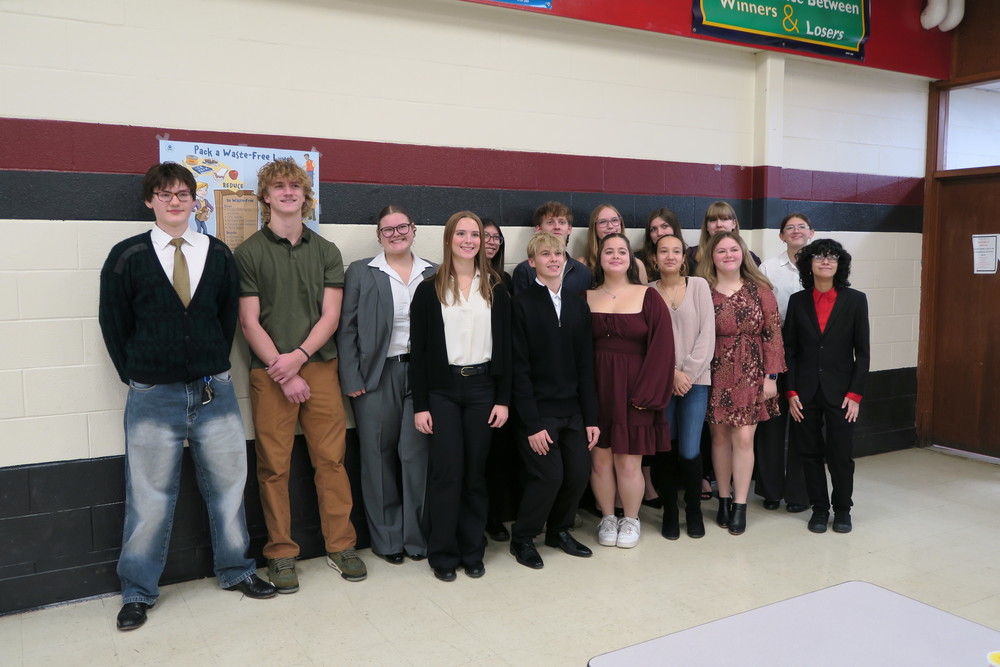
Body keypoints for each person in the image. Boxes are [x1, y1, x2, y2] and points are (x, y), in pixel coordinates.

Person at [99, 163, 275, 632]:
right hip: (152, 396)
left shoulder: (217, 253)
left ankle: (237, 570)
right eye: (164, 194)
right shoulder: (127, 256)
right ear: (149, 201)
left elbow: (224, 320)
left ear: (195, 200)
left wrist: (207, 362)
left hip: (214, 390)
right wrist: (139, 374)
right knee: (149, 497)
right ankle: (137, 591)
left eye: (182, 194)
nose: (174, 201)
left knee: (228, 487)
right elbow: (114, 325)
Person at [235, 157, 365, 593]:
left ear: (305, 197)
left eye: (296, 186)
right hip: (269, 373)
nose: (288, 192)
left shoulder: (326, 251)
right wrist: (285, 371)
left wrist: (301, 357)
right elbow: (250, 322)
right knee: (273, 466)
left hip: (322, 367)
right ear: (266, 196)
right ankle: (281, 554)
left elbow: (332, 315)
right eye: (279, 187)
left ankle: (341, 546)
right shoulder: (248, 252)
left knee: (331, 460)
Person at [410, 211, 512, 582]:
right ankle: (443, 553)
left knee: (474, 475)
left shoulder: (496, 287)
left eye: (474, 234)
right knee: (447, 473)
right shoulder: (429, 288)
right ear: (449, 239)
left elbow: (507, 349)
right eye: (461, 234)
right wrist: (421, 404)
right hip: (444, 390)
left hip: (484, 388)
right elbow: (418, 353)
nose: (469, 240)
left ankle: (473, 551)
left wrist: (503, 398)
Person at [337, 205, 436, 564]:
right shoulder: (362, 272)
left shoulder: (433, 272)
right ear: (378, 235)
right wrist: (352, 377)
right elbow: (346, 328)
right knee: (377, 459)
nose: (396, 234)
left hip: (421, 377)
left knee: (415, 457)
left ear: (414, 228)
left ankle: (416, 538)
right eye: (387, 230)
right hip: (375, 377)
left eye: (402, 227)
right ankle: (388, 540)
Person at [509, 232, 600, 569]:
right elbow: (519, 370)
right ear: (532, 262)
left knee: (578, 473)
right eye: (544, 254)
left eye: (558, 253)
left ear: (565, 259)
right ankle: (523, 537)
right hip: (538, 412)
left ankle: (558, 530)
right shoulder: (521, 304)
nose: (552, 259)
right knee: (549, 476)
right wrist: (531, 424)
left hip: (573, 411)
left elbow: (585, 365)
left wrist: (591, 418)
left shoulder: (578, 305)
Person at [587, 233, 674, 549]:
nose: (614, 255)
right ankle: (608, 516)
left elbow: (663, 349)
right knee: (600, 461)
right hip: (597, 390)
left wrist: (648, 394)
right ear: (600, 258)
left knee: (628, 462)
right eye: (608, 250)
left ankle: (632, 518)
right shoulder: (587, 297)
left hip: (635, 391)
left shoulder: (648, 296)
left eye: (621, 251)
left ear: (630, 258)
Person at [699, 232, 784, 536]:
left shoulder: (760, 288)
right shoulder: (703, 289)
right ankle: (722, 499)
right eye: (721, 250)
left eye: (734, 249)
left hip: (752, 369)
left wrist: (771, 377)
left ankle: (740, 503)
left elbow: (774, 333)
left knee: (744, 439)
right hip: (715, 369)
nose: (728, 254)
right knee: (719, 437)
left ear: (742, 253)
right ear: (712, 255)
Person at [784, 239, 870, 534]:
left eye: (832, 257)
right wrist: (791, 391)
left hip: (843, 393)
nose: (825, 261)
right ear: (809, 263)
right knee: (809, 454)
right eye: (819, 256)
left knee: (840, 455)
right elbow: (790, 352)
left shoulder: (856, 300)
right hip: (805, 392)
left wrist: (855, 393)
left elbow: (864, 353)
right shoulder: (797, 302)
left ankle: (843, 510)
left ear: (839, 264)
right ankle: (819, 509)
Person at [651, 234, 715, 539]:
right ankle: (669, 511)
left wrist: (685, 374)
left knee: (690, 449)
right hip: (662, 384)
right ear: (655, 258)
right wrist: (670, 375)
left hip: (696, 383)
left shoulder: (699, 286)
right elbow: (647, 344)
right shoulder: (648, 293)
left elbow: (707, 336)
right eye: (664, 251)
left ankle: (692, 510)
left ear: (683, 257)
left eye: (676, 251)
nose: (670, 256)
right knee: (665, 448)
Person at [754, 213, 815, 513]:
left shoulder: (822, 263)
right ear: (781, 236)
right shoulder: (768, 267)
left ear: (811, 233)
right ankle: (770, 489)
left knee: (803, 421)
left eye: (801, 227)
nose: (795, 231)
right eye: (789, 228)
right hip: (776, 347)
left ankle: (799, 494)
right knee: (772, 423)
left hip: (809, 353)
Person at [482, 218, 517, 542]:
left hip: (499, 379)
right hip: (470, 378)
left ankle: (493, 518)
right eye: (486, 236)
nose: (492, 242)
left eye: (497, 238)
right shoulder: (455, 280)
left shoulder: (504, 280)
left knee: (497, 455)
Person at [512, 201, 593, 296]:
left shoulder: (584, 273)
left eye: (562, 222)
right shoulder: (524, 270)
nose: (557, 227)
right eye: (550, 222)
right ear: (538, 229)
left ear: (569, 229)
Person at [578, 204, 648, 282]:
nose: (610, 226)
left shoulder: (637, 265)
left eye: (614, 220)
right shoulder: (582, 264)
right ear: (594, 227)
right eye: (603, 222)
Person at [688, 201, 761, 275]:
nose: (719, 225)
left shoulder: (751, 258)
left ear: (734, 223)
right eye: (713, 220)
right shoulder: (692, 255)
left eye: (724, 219)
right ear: (706, 226)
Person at [636, 207, 680, 282]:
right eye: (653, 229)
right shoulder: (638, 260)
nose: (659, 233)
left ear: (674, 229)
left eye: (664, 226)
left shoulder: (689, 258)